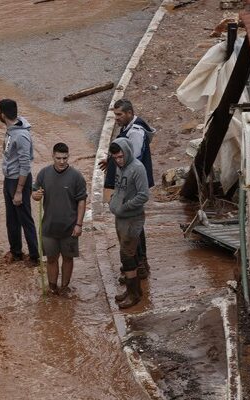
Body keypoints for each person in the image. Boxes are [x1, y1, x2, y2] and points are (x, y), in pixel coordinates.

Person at [99, 99, 155, 280]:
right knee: (132, 228)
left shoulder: (136, 132)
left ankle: (138, 267)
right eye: (115, 115)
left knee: (134, 229)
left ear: (130, 113)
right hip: (127, 187)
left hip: (132, 188)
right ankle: (137, 265)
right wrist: (111, 160)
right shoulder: (128, 128)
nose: (116, 118)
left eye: (119, 114)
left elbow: (132, 161)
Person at [32, 143, 87, 295]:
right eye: (58, 158)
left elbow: (82, 201)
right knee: (51, 259)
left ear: (68, 157)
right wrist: (35, 195)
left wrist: (79, 224)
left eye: (65, 158)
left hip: (70, 228)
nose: (62, 162)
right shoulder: (44, 173)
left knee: (68, 259)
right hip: (49, 227)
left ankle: (64, 287)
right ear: (53, 156)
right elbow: (36, 192)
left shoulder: (76, 177)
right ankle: (52, 288)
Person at [108, 138, 149, 309]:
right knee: (126, 254)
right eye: (115, 158)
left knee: (127, 256)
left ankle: (135, 295)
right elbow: (119, 189)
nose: (118, 160)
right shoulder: (120, 167)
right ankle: (131, 290)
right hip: (121, 217)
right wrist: (113, 201)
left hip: (133, 218)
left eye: (120, 157)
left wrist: (125, 206)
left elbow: (143, 195)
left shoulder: (137, 169)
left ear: (127, 152)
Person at [0, 98, 39, 263]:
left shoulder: (21, 135)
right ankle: (16, 251)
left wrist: (19, 191)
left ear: (2, 114)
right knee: (11, 219)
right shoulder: (11, 129)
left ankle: (35, 255)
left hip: (18, 181)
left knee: (25, 218)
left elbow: (25, 165)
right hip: (9, 178)